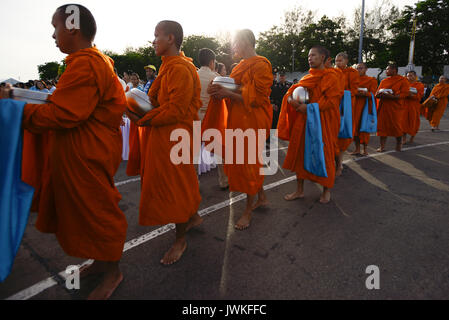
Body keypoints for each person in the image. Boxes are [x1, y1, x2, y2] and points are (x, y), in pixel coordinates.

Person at [0, 4, 128, 299]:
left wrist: (16, 109)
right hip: (81, 152)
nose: (53, 35)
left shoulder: (86, 63)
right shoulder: (91, 61)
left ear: (72, 27)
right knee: (86, 213)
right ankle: (99, 263)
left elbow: (64, 115)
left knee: (98, 213)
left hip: (87, 155)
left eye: (55, 27)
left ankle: (113, 273)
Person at [128, 20, 202, 265]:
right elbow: (160, 102)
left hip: (175, 135)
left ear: (171, 38)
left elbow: (177, 109)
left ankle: (180, 239)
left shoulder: (179, 68)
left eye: (157, 35)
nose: (153, 41)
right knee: (180, 181)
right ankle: (193, 216)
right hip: (167, 133)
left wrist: (145, 119)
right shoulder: (169, 66)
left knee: (174, 186)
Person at [205, 29, 273, 230]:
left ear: (245, 41)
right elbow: (233, 88)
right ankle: (261, 196)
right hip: (237, 119)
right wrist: (217, 88)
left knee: (249, 164)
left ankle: (248, 210)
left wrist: (228, 93)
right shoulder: (240, 67)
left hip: (252, 120)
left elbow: (257, 99)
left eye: (235, 43)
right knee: (246, 164)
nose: (233, 47)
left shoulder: (261, 65)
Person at [278, 45, 342, 204]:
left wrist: (310, 108)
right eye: (309, 56)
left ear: (323, 58)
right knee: (300, 155)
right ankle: (299, 190)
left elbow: (332, 101)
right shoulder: (307, 78)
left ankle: (326, 190)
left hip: (323, 122)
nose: (310, 58)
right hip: (304, 121)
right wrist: (291, 100)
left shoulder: (331, 77)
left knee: (325, 155)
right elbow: (291, 93)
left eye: (313, 55)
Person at [196, 48, 223, 182]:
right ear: (212, 62)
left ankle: (192, 182)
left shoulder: (193, 75)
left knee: (194, 151)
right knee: (218, 148)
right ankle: (223, 180)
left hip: (195, 116)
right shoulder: (215, 77)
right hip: (210, 116)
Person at [375, 62, 410, 152]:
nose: (386, 71)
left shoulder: (402, 80)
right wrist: (380, 94)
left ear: (394, 70)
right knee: (382, 127)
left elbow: (405, 93)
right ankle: (382, 146)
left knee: (396, 127)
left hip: (396, 107)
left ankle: (399, 144)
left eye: (388, 69)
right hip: (384, 107)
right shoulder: (384, 81)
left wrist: (393, 96)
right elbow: (377, 93)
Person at [334, 52, 359, 176]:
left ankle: (339, 164)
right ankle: (335, 162)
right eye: (336, 61)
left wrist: (339, 92)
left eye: (340, 61)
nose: (337, 63)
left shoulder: (352, 73)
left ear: (346, 61)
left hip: (346, 105)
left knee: (342, 135)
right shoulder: (332, 72)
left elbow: (353, 90)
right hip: (333, 105)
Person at [352, 62, 378, 155]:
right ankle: (357, 148)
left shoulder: (371, 80)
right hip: (354, 106)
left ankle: (365, 149)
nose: (359, 70)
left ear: (366, 69)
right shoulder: (353, 80)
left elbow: (373, 93)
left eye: (361, 68)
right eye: (357, 68)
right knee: (355, 128)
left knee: (364, 127)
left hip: (365, 107)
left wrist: (365, 93)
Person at [402, 70, 424, 143]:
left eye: (411, 75)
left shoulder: (419, 85)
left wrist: (411, 95)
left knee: (414, 122)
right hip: (404, 105)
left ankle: (412, 137)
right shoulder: (404, 84)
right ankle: (404, 139)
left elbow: (420, 96)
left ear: (415, 76)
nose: (409, 77)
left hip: (414, 106)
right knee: (403, 122)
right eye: (408, 76)